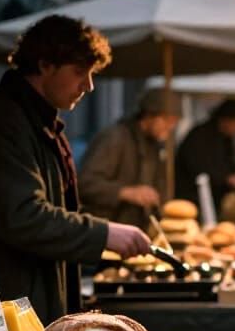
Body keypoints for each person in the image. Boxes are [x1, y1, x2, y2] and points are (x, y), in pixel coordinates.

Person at [0, 14, 151, 322]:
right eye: (80, 72)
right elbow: (24, 216)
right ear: (44, 64)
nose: (89, 86)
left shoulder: (35, 120)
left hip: (21, 302)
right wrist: (104, 234)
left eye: (92, 74)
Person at [77, 87, 180, 230]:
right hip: (105, 230)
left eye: (174, 122)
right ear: (149, 115)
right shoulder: (115, 138)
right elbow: (85, 183)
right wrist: (126, 192)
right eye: (166, 120)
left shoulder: (155, 145)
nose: (170, 127)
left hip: (136, 230)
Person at [174, 97, 235, 213]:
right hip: (192, 199)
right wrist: (228, 179)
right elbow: (197, 167)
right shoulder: (200, 136)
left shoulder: (225, 139)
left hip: (214, 201)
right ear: (227, 120)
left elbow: (228, 165)